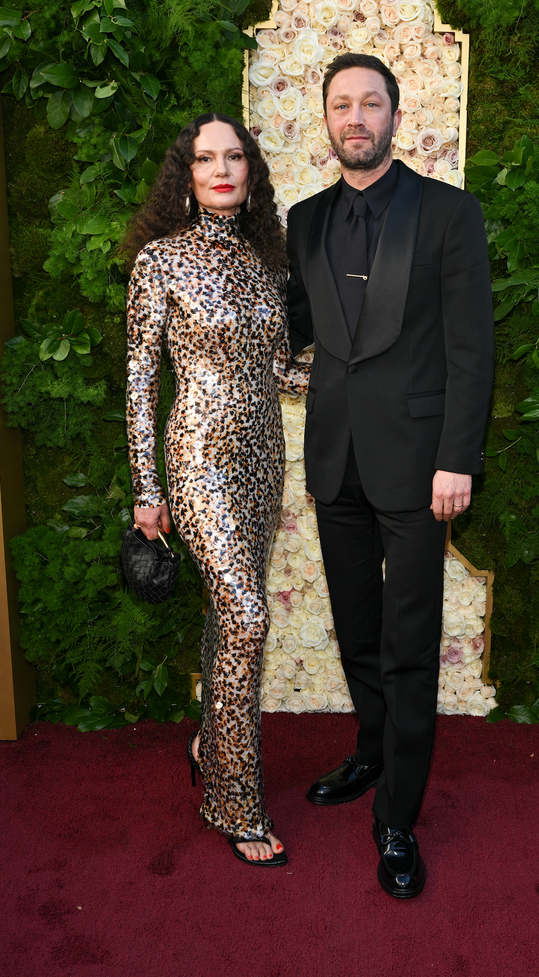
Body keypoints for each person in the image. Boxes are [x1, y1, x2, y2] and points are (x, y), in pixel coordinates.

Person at [286, 54, 494, 898]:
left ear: (396, 117)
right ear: (326, 121)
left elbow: (472, 346)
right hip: (334, 459)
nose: (356, 117)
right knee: (358, 629)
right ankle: (371, 751)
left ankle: (398, 815)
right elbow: (296, 325)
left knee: (410, 644)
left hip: (419, 467)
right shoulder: (304, 220)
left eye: (371, 102)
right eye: (342, 104)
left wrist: (458, 457)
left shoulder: (448, 212)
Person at [124, 112, 309, 866]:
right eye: (206, 159)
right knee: (248, 615)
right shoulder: (160, 261)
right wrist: (147, 487)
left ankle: (211, 738)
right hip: (197, 455)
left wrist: (363, 362)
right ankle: (233, 802)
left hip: (264, 457)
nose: (222, 170)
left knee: (227, 613)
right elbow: (140, 381)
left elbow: (283, 371)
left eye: (235, 157)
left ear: (251, 172)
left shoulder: (272, 264)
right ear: (187, 174)